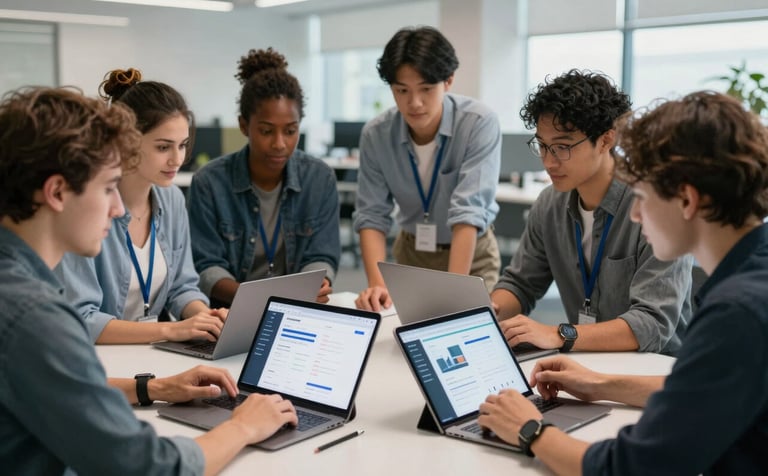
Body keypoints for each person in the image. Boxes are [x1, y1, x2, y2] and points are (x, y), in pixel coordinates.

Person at [0, 86, 297, 475]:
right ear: (56, 191)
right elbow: (145, 467)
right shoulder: (36, 318)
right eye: (108, 188)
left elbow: (58, 391)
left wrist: (152, 387)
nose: (119, 207)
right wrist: (242, 426)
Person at [478, 91, 768, 475]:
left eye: (643, 196)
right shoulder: (751, 279)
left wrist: (530, 430)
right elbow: (695, 395)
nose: (634, 211)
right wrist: (600, 384)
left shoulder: (737, 314)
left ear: (687, 200)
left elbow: (631, 467)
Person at [491, 70, 692, 354]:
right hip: (586, 362)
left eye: (562, 147)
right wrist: (490, 310)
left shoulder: (655, 206)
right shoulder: (549, 205)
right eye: (542, 146)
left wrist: (559, 334)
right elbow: (521, 283)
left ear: (606, 140)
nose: (548, 162)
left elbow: (652, 324)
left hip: (656, 371)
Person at [56, 68, 227, 344]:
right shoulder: (86, 206)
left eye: (182, 145)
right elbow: (81, 318)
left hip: (147, 354)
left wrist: (206, 318)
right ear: (127, 143)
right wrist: (170, 330)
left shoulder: (171, 199)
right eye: (163, 147)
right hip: (98, 359)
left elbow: (182, 287)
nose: (177, 159)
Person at [354, 25, 502, 312]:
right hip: (411, 255)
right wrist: (378, 285)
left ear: (448, 81)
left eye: (426, 89)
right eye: (402, 90)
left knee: (464, 339)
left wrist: (454, 292)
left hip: (470, 254)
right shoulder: (376, 134)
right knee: (403, 343)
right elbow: (371, 214)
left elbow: (467, 213)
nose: (415, 103)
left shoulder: (477, 123)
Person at [187, 47, 339, 306]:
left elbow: (322, 255)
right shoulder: (210, 183)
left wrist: (316, 284)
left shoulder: (319, 178)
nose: (280, 143)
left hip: (296, 310)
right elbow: (207, 267)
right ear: (244, 125)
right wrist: (261, 300)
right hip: (230, 312)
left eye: (290, 131)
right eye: (267, 131)